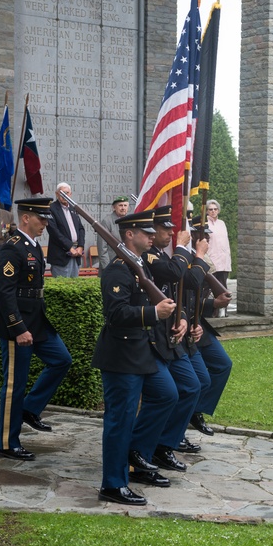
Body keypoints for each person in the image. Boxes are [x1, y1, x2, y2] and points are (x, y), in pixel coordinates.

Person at [95, 210, 178, 506]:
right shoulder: (119, 269)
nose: (152, 236)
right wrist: (154, 314)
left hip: (143, 349)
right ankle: (113, 484)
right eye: (146, 232)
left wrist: (173, 320)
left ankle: (137, 454)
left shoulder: (141, 265)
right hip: (121, 353)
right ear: (129, 234)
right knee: (120, 419)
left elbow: (157, 300)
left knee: (167, 394)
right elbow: (115, 313)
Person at [0, 197, 72, 462]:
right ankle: (7, 443)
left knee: (61, 360)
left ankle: (30, 409)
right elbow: (4, 291)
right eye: (41, 218)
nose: (46, 223)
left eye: (47, 219)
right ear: (26, 218)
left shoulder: (33, 245)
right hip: (18, 325)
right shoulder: (12, 247)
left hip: (36, 321)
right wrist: (18, 327)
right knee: (14, 385)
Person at [135, 206, 198, 477]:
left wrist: (183, 317)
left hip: (170, 334)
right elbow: (173, 274)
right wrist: (184, 249)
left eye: (171, 229)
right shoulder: (149, 256)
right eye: (164, 228)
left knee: (192, 386)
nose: (170, 233)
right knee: (166, 394)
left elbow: (175, 292)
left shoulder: (163, 255)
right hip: (153, 336)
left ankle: (164, 443)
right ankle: (145, 449)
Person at [185, 213, 233, 439]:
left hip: (199, 323)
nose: (208, 240)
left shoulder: (204, 260)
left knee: (222, 365)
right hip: (183, 323)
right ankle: (187, 416)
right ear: (193, 236)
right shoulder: (184, 260)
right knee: (195, 378)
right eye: (204, 236)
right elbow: (184, 301)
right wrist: (213, 302)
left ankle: (197, 410)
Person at [46, 182, 86, 278]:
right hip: (61, 256)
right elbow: (54, 232)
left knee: (74, 288)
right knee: (62, 289)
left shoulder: (73, 208)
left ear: (70, 194)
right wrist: (70, 247)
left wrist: (80, 246)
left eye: (67, 193)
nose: (65, 196)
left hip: (76, 254)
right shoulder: (51, 209)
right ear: (56, 194)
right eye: (62, 193)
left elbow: (81, 228)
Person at [97, 195, 129, 272]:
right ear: (114, 207)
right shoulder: (107, 221)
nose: (123, 208)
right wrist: (107, 267)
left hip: (126, 264)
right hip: (111, 263)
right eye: (120, 205)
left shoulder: (128, 221)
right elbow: (102, 246)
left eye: (125, 205)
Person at [206, 199, 232, 289]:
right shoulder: (205, 224)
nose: (213, 211)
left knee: (223, 289)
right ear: (207, 211)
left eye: (215, 209)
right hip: (212, 261)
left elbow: (226, 243)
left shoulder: (222, 223)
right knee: (210, 288)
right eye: (210, 209)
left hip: (224, 262)